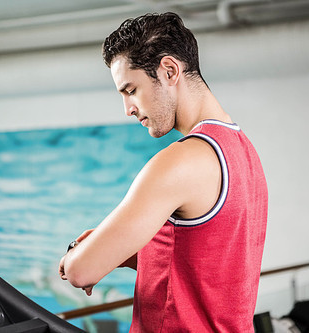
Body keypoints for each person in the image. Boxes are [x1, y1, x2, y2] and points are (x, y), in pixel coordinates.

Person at [59, 12, 268, 332]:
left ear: (169, 70)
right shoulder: (243, 151)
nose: (127, 108)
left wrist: (80, 250)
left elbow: (79, 272)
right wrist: (118, 251)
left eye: (130, 90)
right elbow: (209, 268)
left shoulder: (180, 161)